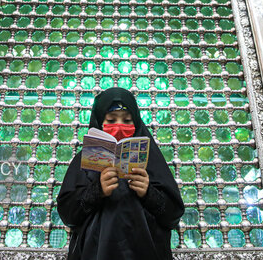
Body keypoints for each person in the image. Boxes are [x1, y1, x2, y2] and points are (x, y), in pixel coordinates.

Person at [56, 87, 184, 260]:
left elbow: (173, 215)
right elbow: (68, 214)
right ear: (99, 121)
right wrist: (97, 191)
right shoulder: (83, 161)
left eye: (127, 120)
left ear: (137, 123)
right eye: (111, 120)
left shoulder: (152, 159)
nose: (119, 126)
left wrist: (148, 193)